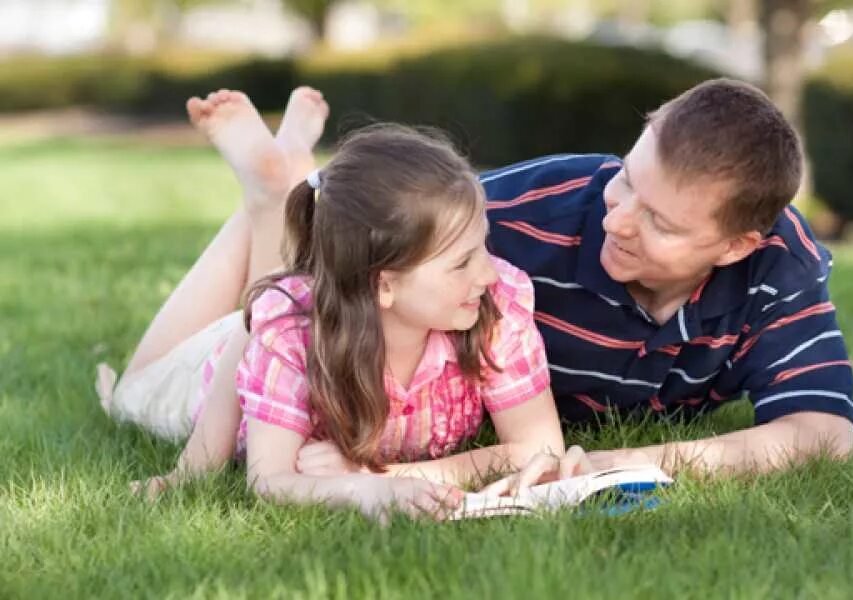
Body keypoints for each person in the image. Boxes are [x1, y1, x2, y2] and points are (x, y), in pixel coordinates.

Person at [97, 88, 564, 520]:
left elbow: (540, 448)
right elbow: (269, 479)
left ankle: (274, 194)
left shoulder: (494, 301)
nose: (488, 272)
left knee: (275, 303)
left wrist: (378, 477)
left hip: (306, 310)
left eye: (485, 246)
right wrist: (195, 468)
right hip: (215, 367)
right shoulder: (288, 335)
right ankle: (266, 202)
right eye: (462, 263)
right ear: (383, 284)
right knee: (131, 392)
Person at [471, 78, 853, 493]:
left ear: (733, 246)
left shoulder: (779, 264)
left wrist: (628, 463)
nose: (615, 222)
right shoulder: (508, 216)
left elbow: (823, 430)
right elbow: (399, 233)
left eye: (658, 222)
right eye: (626, 179)